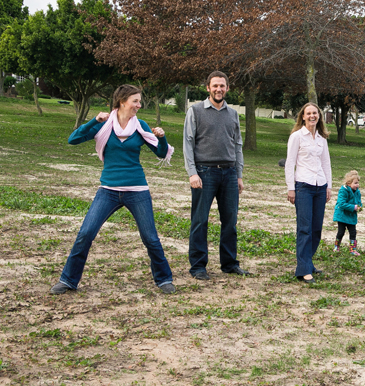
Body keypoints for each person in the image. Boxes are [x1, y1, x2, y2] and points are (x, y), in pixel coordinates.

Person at [50, 85, 176, 295]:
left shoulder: (140, 126)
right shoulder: (104, 124)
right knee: (85, 234)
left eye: (139, 101)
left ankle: (164, 279)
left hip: (137, 189)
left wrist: (162, 138)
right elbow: (73, 139)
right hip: (108, 190)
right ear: (122, 101)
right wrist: (94, 121)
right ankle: (68, 280)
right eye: (135, 101)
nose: (139, 105)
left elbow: (161, 153)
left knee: (150, 238)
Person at [184, 71, 250, 280]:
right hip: (204, 173)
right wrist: (192, 173)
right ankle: (198, 266)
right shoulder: (195, 111)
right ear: (208, 88)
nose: (218, 89)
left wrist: (239, 175)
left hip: (229, 173)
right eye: (215, 86)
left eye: (222, 86)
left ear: (227, 88)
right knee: (200, 220)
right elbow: (188, 143)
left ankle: (229, 264)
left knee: (230, 221)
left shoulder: (233, 114)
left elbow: (237, 145)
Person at [285, 102, 332, 284]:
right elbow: (290, 163)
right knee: (304, 228)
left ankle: (308, 262)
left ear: (319, 116)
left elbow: (326, 163)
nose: (312, 116)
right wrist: (291, 188)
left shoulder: (322, 138)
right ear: (303, 117)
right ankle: (303, 269)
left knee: (316, 229)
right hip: (303, 186)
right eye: (309, 113)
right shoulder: (297, 136)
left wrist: (328, 186)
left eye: (315, 113)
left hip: (320, 186)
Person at [333, 170, 363, 255]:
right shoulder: (343, 190)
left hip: (351, 216)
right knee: (341, 232)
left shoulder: (357, 192)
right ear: (349, 183)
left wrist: (359, 206)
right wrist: (353, 207)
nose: (357, 185)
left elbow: (358, 201)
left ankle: (352, 249)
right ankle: (336, 246)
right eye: (355, 183)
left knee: (353, 232)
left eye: (358, 183)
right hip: (342, 215)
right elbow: (341, 203)